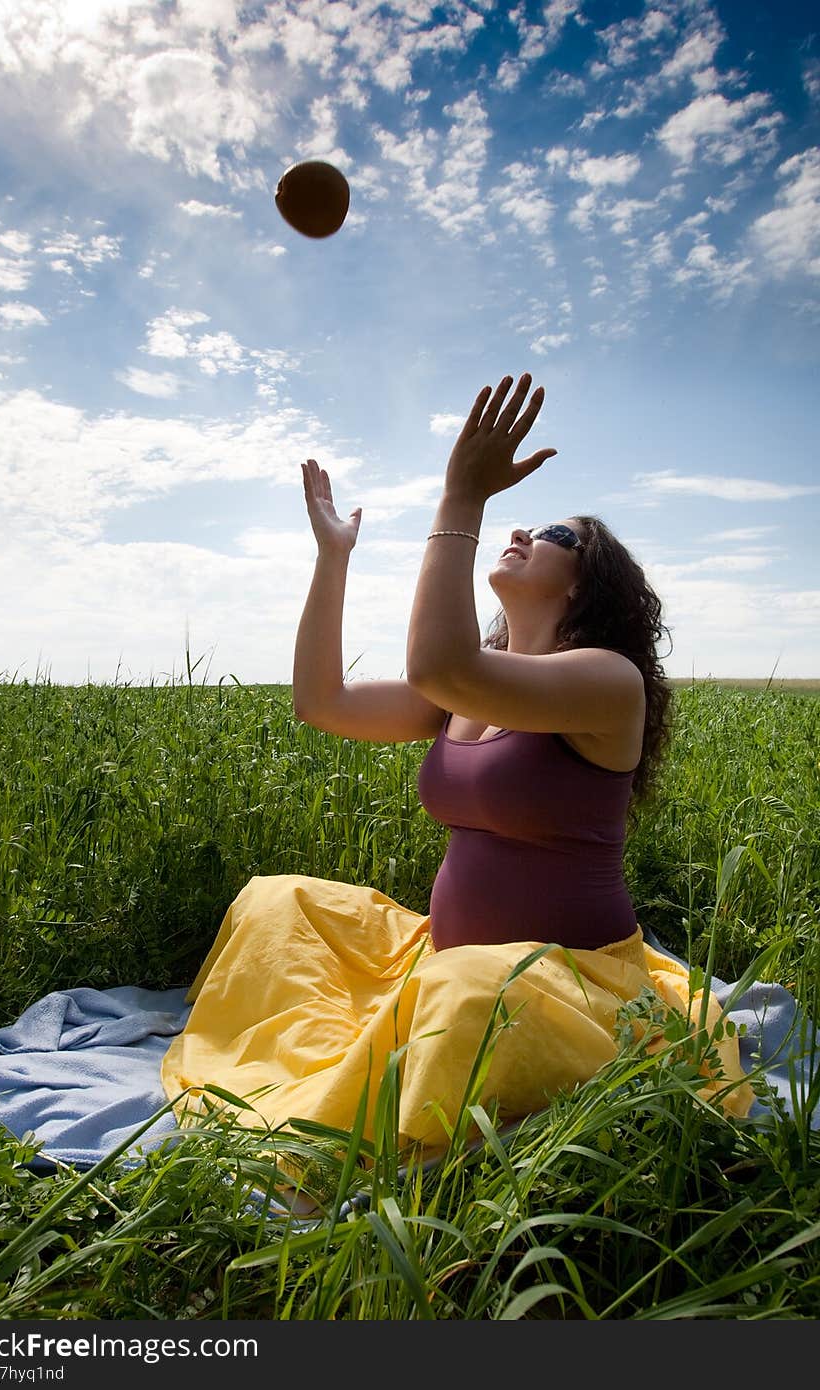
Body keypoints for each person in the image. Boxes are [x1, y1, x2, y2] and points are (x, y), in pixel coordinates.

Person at [161, 373, 754, 1158]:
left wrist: (461, 498)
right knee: (283, 903)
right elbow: (324, 701)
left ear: (589, 583)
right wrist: (332, 557)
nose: (526, 532)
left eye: (558, 535)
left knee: (471, 995)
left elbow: (442, 665)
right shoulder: (470, 683)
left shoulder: (607, 682)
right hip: (445, 960)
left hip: (571, 986)